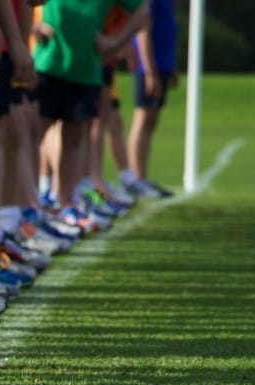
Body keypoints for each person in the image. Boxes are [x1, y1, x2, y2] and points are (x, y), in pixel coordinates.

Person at [31, 0, 148, 231]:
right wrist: (31, 28)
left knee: (74, 140)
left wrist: (115, 40)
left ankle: (64, 204)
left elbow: (142, 11)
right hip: (48, 64)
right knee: (32, 137)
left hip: (85, 69)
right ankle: (30, 206)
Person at [124, 0, 177, 199]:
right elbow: (142, 30)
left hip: (161, 66)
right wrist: (149, 71)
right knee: (143, 120)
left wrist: (169, 66)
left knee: (151, 122)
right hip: (148, 69)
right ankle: (136, 178)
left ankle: (142, 176)